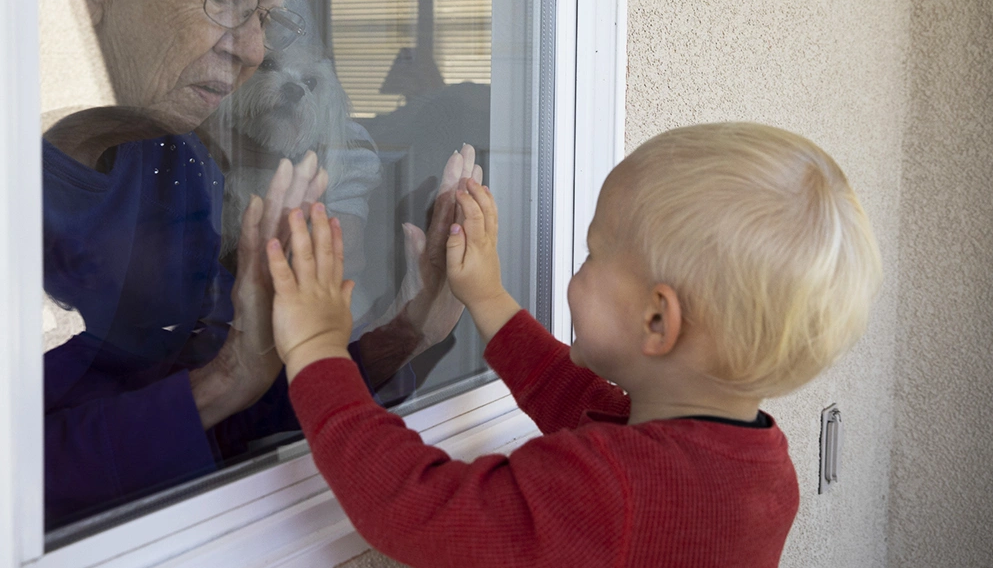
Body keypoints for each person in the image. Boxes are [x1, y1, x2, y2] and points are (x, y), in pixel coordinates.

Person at [38, 0, 470, 528]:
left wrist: (407, 332)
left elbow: (229, 416)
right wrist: (219, 384)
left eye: (266, 14)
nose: (254, 48)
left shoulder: (181, 175)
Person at [267, 122, 884, 567]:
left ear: (656, 321)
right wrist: (485, 296)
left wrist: (320, 349)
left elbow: (420, 510)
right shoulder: (756, 465)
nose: (576, 269)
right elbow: (576, 398)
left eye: (593, 253)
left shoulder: (616, 490)